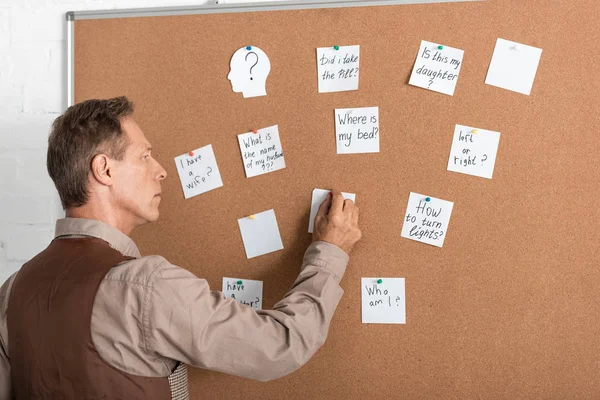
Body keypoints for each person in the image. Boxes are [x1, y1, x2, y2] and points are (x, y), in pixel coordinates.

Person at [0, 97, 361, 399]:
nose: (161, 171)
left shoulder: (14, 289)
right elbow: (280, 345)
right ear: (104, 170)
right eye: (144, 156)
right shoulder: (144, 286)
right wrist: (329, 252)